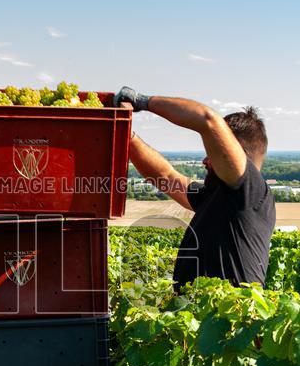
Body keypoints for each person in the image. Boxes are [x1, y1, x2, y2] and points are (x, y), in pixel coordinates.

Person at [114, 86, 275, 292]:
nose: (205, 161)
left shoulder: (251, 192)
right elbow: (165, 176)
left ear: (237, 155)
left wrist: (141, 101)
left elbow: (208, 121)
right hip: (199, 317)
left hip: (228, 321)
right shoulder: (218, 195)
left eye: (213, 153)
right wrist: (125, 132)